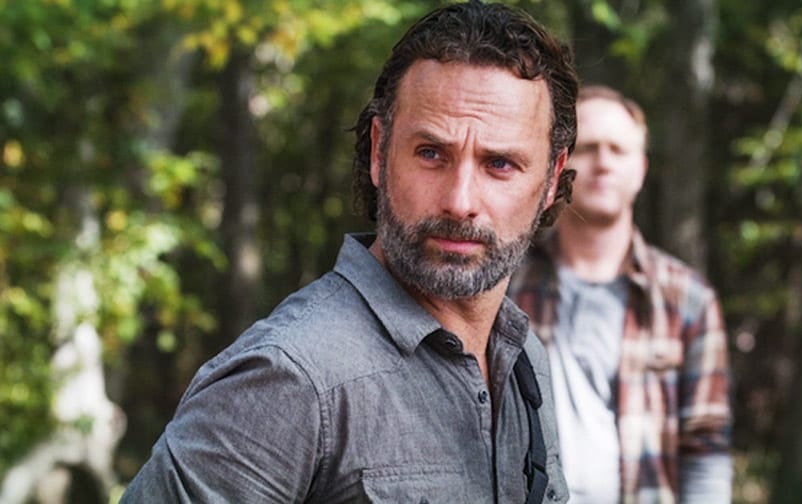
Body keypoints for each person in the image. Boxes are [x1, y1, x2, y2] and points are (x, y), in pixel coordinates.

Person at [121, 1, 579, 502]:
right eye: (431, 153)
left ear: (551, 177)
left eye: (500, 164)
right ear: (380, 151)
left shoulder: (524, 359)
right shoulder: (290, 376)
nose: (460, 201)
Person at [509, 84, 732, 504]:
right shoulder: (507, 282)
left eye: (618, 150)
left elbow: (705, 448)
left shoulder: (688, 299)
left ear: (640, 169)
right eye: (588, 148)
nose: (604, 163)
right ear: (558, 166)